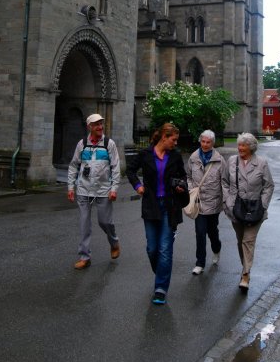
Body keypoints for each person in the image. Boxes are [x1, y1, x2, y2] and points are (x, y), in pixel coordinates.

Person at [125, 122, 189, 305]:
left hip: (170, 206)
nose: (175, 143)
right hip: (151, 206)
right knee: (152, 249)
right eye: (173, 139)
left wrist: (179, 185)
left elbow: (183, 176)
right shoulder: (146, 154)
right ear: (164, 137)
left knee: (164, 249)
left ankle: (160, 288)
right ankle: (161, 270)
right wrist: (138, 185)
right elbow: (130, 170)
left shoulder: (175, 156)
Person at [222, 132, 274, 292]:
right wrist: (228, 201)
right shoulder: (231, 161)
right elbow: (224, 181)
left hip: (255, 210)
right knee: (240, 241)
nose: (240, 148)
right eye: (239, 145)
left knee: (248, 241)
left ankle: (245, 274)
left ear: (251, 147)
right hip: (236, 209)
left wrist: (263, 204)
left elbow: (268, 186)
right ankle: (245, 266)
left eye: (243, 145)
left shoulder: (261, 163)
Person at [67, 114, 120, 270]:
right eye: (96, 124)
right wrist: (71, 187)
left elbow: (115, 167)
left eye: (101, 124)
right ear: (89, 126)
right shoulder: (82, 144)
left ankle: (114, 242)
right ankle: (85, 256)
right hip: (84, 189)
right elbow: (73, 166)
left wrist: (114, 188)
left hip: (104, 190)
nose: (100, 127)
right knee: (84, 224)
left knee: (105, 222)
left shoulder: (109, 144)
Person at [186, 129, 226, 274]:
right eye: (203, 141)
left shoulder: (219, 160)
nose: (205, 144)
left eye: (208, 142)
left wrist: (226, 200)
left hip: (214, 202)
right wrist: (191, 189)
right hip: (199, 202)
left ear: (213, 143)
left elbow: (224, 181)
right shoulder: (193, 157)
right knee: (200, 232)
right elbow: (188, 176)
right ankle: (200, 263)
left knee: (212, 232)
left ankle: (216, 248)